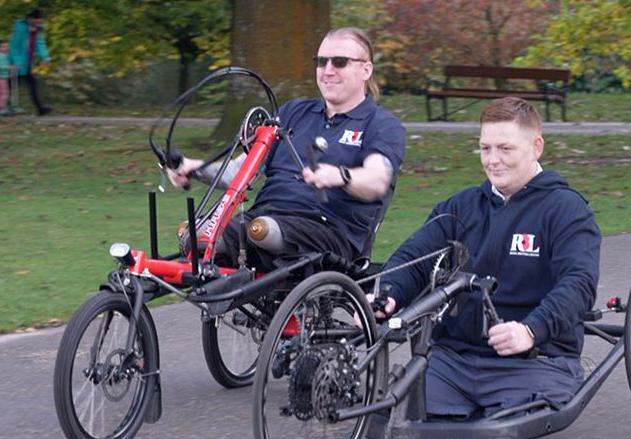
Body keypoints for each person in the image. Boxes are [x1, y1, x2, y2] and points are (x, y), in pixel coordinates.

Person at [373, 97, 601, 419]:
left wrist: (530, 330)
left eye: (505, 149)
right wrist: (388, 294)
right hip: (453, 360)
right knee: (392, 419)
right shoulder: (460, 207)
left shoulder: (567, 210)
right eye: (485, 148)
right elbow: (416, 257)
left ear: (536, 147)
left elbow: (579, 284)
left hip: (536, 361)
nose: (493, 160)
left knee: (497, 430)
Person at [168, 27, 406, 271]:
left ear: (366, 70)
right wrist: (194, 168)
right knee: (199, 235)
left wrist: (340, 176)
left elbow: (377, 180)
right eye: (322, 62)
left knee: (260, 230)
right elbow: (240, 170)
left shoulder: (381, 124)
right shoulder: (293, 112)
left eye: (340, 62)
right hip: (262, 218)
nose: (328, 70)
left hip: (327, 230)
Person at [9, 8, 52, 116]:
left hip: (28, 62)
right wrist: (16, 62)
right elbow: (14, 46)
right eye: (37, 21)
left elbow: (40, 43)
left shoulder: (38, 30)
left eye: (40, 22)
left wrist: (46, 57)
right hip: (16, 63)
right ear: (31, 19)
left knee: (33, 85)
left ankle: (40, 108)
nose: (39, 24)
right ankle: (3, 108)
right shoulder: (20, 28)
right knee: (11, 86)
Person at [0, 40, 15, 115]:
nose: (5, 48)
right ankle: (1, 108)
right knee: (4, 92)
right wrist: (9, 67)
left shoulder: (1, 55)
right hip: (0, 76)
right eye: (3, 47)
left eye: (6, 46)